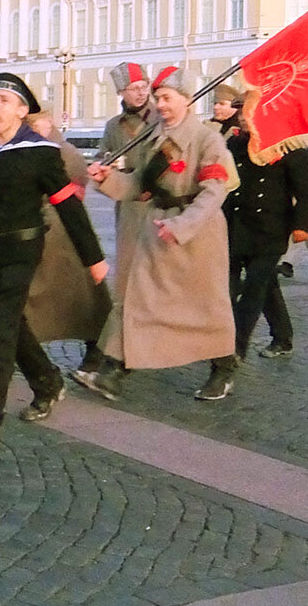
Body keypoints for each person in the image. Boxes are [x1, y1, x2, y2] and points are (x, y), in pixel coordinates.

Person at [0, 73, 107, 449]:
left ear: (22, 111)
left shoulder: (41, 152)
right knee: (14, 327)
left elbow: (68, 206)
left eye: (4, 101)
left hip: (22, 253)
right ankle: (47, 380)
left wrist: (93, 258)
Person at [87, 67, 240, 401]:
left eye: (167, 98)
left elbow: (215, 192)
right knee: (139, 300)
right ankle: (114, 370)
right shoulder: (157, 138)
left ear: (186, 100)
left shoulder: (207, 140)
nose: (160, 104)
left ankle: (224, 367)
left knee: (205, 307)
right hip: (156, 230)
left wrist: (182, 227)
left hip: (197, 238)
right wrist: (105, 179)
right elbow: (139, 185)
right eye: (158, 98)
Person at [72, 61, 154, 393]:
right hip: (131, 211)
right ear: (121, 92)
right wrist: (109, 165)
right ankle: (109, 359)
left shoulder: (161, 118)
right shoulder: (114, 125)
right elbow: (106, 157)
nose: (142, 91)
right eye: (134, 87)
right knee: (129, 285)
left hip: (160, 207)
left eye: (144, 85)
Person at [22, 111, 112, 388]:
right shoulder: (27, 147)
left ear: (48, 123)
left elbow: (74, 189)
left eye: (38, 124)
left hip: (64, 232)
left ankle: (97, 349)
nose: (34, 129)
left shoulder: (66, 152)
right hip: (39, 229)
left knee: (84, 296)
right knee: (20, 296)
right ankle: (6, 350)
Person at [223, 106, 308, 359]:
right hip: (237, 225)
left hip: (271, 229)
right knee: (259, 285)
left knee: (254, 287)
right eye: (241, 113)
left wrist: (302, 225)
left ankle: (236, 347)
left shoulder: (287, 145)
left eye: (249, 113)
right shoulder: (234, 143)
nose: (243, 118)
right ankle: (283, 336)